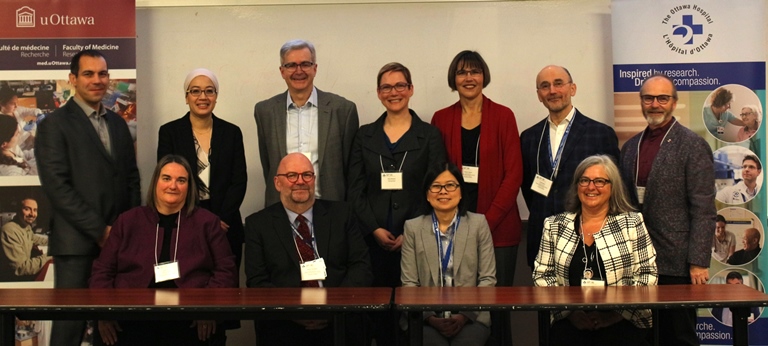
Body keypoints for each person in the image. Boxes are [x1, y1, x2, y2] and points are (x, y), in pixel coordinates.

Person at [35, 49, 141, 346]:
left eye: (102, 74)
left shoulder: (118, 124)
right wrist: (99, 230)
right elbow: (57, 187)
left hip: (118, 242)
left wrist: (126, 229)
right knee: (70, 328)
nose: (97, 80)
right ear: (73, 79)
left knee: (115, 327)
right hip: (77, 245)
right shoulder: (53, 125)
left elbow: (131, 179)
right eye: (89, 74)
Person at [347, 62, 447, 344]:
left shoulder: (429, 135)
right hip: (370, 242)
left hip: (416, 240)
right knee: (375, 320)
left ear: (411, 89)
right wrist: (374, 229)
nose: (394, 92)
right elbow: (355, 189)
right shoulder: (364, 135)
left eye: (400, 85)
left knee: (411, 319)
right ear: (378, 93)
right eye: (387, 87)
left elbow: (437, 189)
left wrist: (411, 230)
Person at [90, 155, 237, 346]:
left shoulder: (207, 222)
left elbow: (226, 270)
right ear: (156, 182)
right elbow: (102, 271)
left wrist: (207, 309)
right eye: (166, 178)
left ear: (189, 186)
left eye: (181, 180)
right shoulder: (128, 221)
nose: (173, 186)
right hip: (132, 312)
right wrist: (104, 313)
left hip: (190, 313)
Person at [430, 50, 521, 345]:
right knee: (464, 306)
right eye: (461, 72)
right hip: (452, 230)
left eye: (474, 71)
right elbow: (438, 176)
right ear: (453, 79)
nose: (468, 78)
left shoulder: (504, 115)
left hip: (499, 229)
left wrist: (485, 223)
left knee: (497, 307)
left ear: (484, 76)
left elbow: (514, 175)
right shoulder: (441, 119)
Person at [620, 74, 715, 346]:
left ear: (673, 103)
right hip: (637, 259)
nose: (655, 104)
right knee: (644, 334)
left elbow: (704, 208)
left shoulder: (692, 145)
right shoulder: (630, 147)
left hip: (677, 260)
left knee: (679, 335)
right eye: (648, 98)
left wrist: (698, 262)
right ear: (641, 102)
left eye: (662, 98)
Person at [244, 153, 372, 345]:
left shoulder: (342, 215)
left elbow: (361, 268)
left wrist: (332, 309)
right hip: (284, 322)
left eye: (307, 175)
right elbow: (257, 281)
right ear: (278, 183)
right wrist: (294, 311)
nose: (300, 181)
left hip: (339, 317)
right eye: (292, 176)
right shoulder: (258, 224)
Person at [533, 155, 657, 346]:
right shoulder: (554, 225)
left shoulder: (632, 223)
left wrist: (615, 315)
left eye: (600, 181)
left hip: (622, 323)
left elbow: (647, 277)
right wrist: (570, 313)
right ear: (577, 186)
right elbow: (543, 277)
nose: (591, 187)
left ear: (612, 187)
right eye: (585, 180)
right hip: (570, 323)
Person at [521, 65, 620, 269]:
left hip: (587, 237)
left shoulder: (600, 133)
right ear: (539, 95)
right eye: (545, 86)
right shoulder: (529, 137)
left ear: (572, 88)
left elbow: (613, 188)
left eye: (559, 84)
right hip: (541, 237)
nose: (553, 91)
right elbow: (527, 186)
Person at [157, 68, 247, 268]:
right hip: (184, 218)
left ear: (216, 97)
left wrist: (221, 219)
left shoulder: (232, 132)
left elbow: (239, 180)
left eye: (209, 91)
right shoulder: (169, 132)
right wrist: (195, 219)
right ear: (186, 97)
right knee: (189, 281)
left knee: (225, 283)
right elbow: (167, 179)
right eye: (195, 91)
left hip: (226, 221)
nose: (203, 97)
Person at [401, 162, 497, 346]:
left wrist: (464, 316)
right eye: (436, 186)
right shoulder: (413, 228)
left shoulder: (478, 224)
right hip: (425, 319)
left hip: (471, 317)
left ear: (460, 193)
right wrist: (430, 318)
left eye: (450, 185)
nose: (443, 191)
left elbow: (487, 280)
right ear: (427, 195)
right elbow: (409, 284)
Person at [254, 39, 359, 206]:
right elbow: (269, 164)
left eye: (305, 64)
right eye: (291, 65)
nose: (299, 71)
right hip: (282, 207)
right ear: (282, 71)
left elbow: (351, 169)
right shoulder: (265, 111)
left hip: (330, 207)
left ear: (315, 68)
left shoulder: (343, 110)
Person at [0, 198, 50, 281]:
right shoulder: (9, 230)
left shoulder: (26, 226)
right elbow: (22, 268)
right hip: (14, 281)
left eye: (35, 210)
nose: (32, 214)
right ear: (18, 210)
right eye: (27, 209)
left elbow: (34, 238)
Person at [0, 85, 42, 151]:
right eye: (13, 103)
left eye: (17, 102)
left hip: (29, 140)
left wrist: (39, 114)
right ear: (2, 104)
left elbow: (33, 111)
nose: (16, 106)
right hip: (17, 148)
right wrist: (27, 130)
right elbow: (11, 143)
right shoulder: (2, 121)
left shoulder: (17, 110)